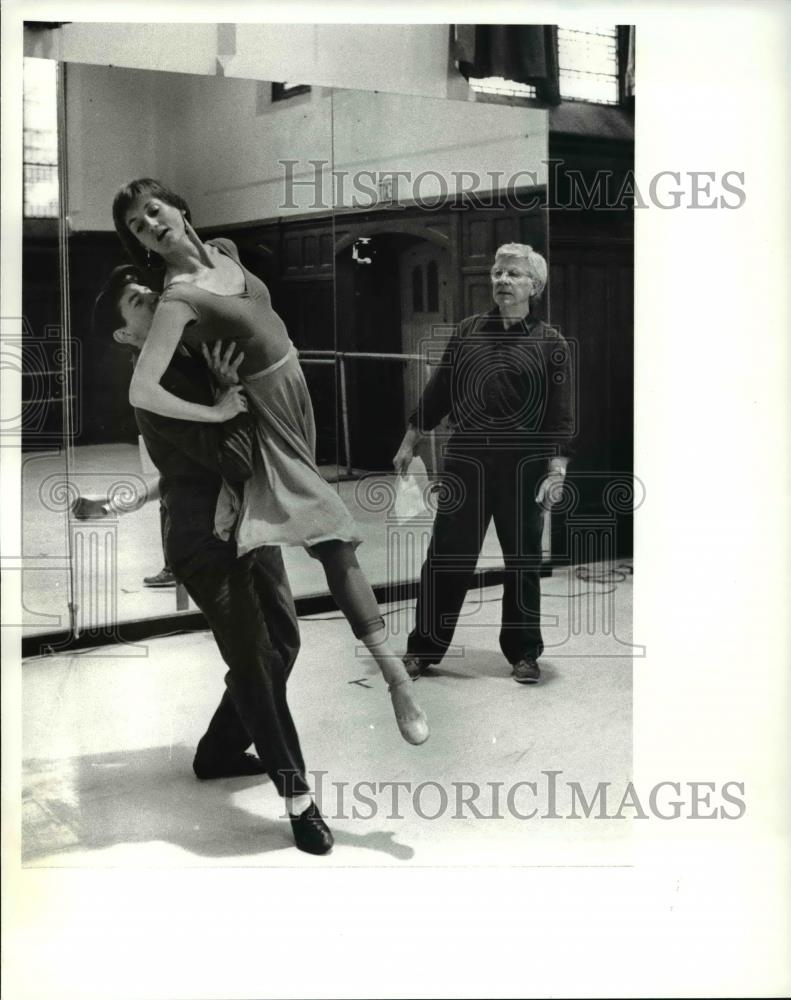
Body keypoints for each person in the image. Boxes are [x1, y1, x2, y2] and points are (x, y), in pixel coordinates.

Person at [110, 177, 428, 746]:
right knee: (334, 535)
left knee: (328, 538)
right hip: (268, 415)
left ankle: (236, 739)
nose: (151, 225)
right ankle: (397, 678)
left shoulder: (228, 252)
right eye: (138, 226)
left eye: (154, 211)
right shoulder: (177, 298)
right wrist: (214, 413)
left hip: (297, 393)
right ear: (142, 243)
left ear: (180, 209)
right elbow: (142, 390)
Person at [92, 265, 334, 855]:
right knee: (253, 656)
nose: (153, 300)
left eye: (149, 291)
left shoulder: (195, 353)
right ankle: (298, 797)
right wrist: (234, 398)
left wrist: (231, 389)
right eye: (136, 303)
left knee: (283, 643)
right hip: (204, 540)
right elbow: (236, 460)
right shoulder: (155, 389)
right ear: (127, 336)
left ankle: (220, 749)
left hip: (248, 522)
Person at [393, 243, 575, 684]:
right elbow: (438, 392)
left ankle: (524, 653)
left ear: (534, 285)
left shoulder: (551, 343)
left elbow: (561, 414)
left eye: (513, 274)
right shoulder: (469, 330)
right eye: (497, 273)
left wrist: (557, 472)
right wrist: (410, 440)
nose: (502, 281)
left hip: (524, 468)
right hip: (466, 462)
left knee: (523, 563)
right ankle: (423, 649)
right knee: (446, 559)